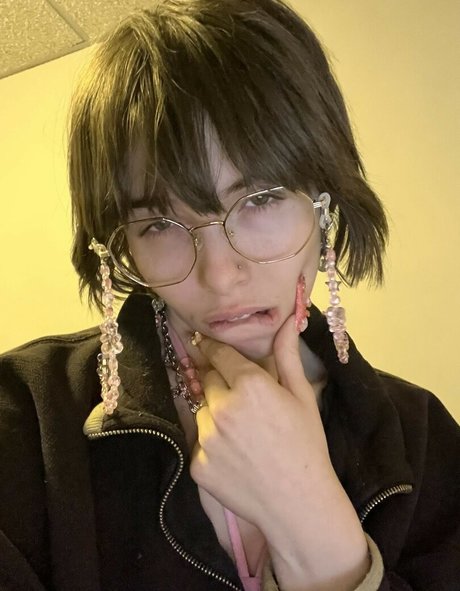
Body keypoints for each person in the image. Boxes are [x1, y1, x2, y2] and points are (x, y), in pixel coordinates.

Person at [0, 0, 458, 589]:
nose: (219, 274)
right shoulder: (26, 421)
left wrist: (314, 528)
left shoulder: (422, 439)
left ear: (324, 199)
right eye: (158, 224)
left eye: (260, 199)